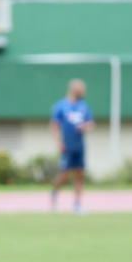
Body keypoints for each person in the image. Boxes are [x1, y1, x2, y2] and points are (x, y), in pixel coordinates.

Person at [50, 79, 94, 215]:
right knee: (64, 175)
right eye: (81, 89)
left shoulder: (84, 106)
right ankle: (54, 196)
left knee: (80, 174)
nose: (83, 92)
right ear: (73, 89)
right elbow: (54, 125)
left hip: (79, 145)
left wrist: (85, 127)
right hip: (66, 145)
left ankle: (77, 204)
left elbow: (91, 124)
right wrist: (58, 142)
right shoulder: (60, 106)